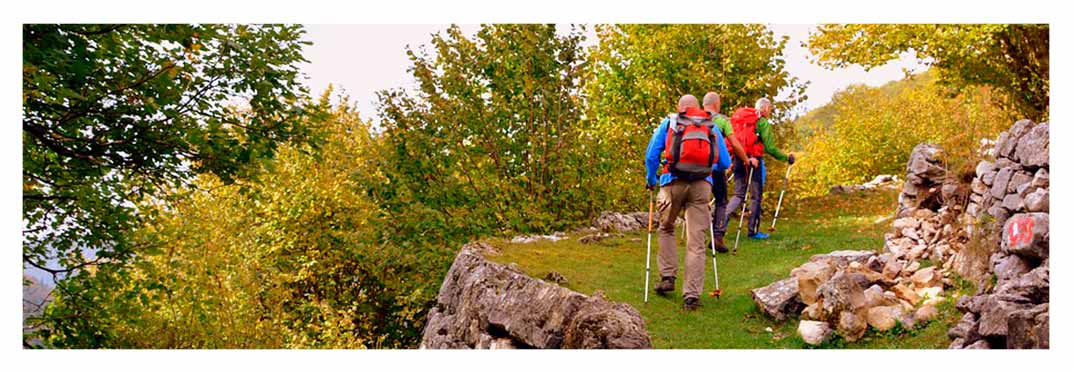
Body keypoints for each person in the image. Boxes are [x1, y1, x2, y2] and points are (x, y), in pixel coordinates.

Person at [644, 94, 730, 311]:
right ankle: (691, 296)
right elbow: (725, 162)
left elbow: (651, 155)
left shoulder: (671, 122)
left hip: (672, 182)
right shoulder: (711, 125)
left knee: (666, 228)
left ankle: (668, 276)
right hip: (702, 186)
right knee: (696, 242)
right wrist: (707, 170)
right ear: (699, 107)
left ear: (679, 107)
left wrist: (651, 178)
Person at [725, 98, 795, 240]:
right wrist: (786, 158)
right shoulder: (762, 122)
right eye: (770, 109)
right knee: (755, 196)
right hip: (754, 162)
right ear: (765, 109)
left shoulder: (741, 120)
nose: (770, 112)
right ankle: (753, 231)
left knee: (738, 194)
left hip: (738, 158)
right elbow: (770, 147)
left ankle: (720, 225)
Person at [702, 92, 755, 253]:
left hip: (695, 169)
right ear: (717, 104)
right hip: (716, 168)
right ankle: (717, 236)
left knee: (698, 201)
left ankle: (697, 236)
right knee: (721, 201)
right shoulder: (722, 120)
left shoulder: (694, 119)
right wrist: (746, 160)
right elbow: (735, 144)